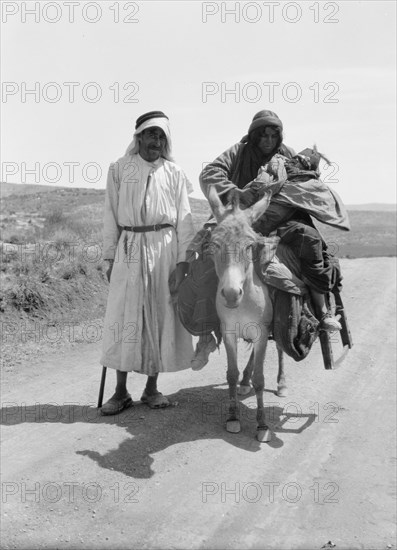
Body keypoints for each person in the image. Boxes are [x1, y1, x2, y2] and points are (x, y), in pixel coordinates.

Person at [190, 109, 349, 369]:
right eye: (262, 135)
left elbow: (303, 182)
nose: (267, 140)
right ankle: (207, 334)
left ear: (279, 136)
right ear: (253, 135)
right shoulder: (237, 152)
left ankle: (322, 311)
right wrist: (237, 193)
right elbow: (209, 174)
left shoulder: (285, 154)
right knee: (207, 259)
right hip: (239, 219)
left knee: (310, 243)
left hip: (281, 219)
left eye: (273, 135)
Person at [100, 110, 195, 415]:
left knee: (160, 314)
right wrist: (109, 255)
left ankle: (152, 389)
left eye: (161, 135)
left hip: (164, 250)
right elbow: (110, 216)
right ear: (138, 136)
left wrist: (183, 263)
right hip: (129, 249)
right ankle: (120, 391)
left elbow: (184, 222)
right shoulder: (119, 169)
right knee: (125, 318)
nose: (157, 140)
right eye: (151, 134)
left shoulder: (175, 173)